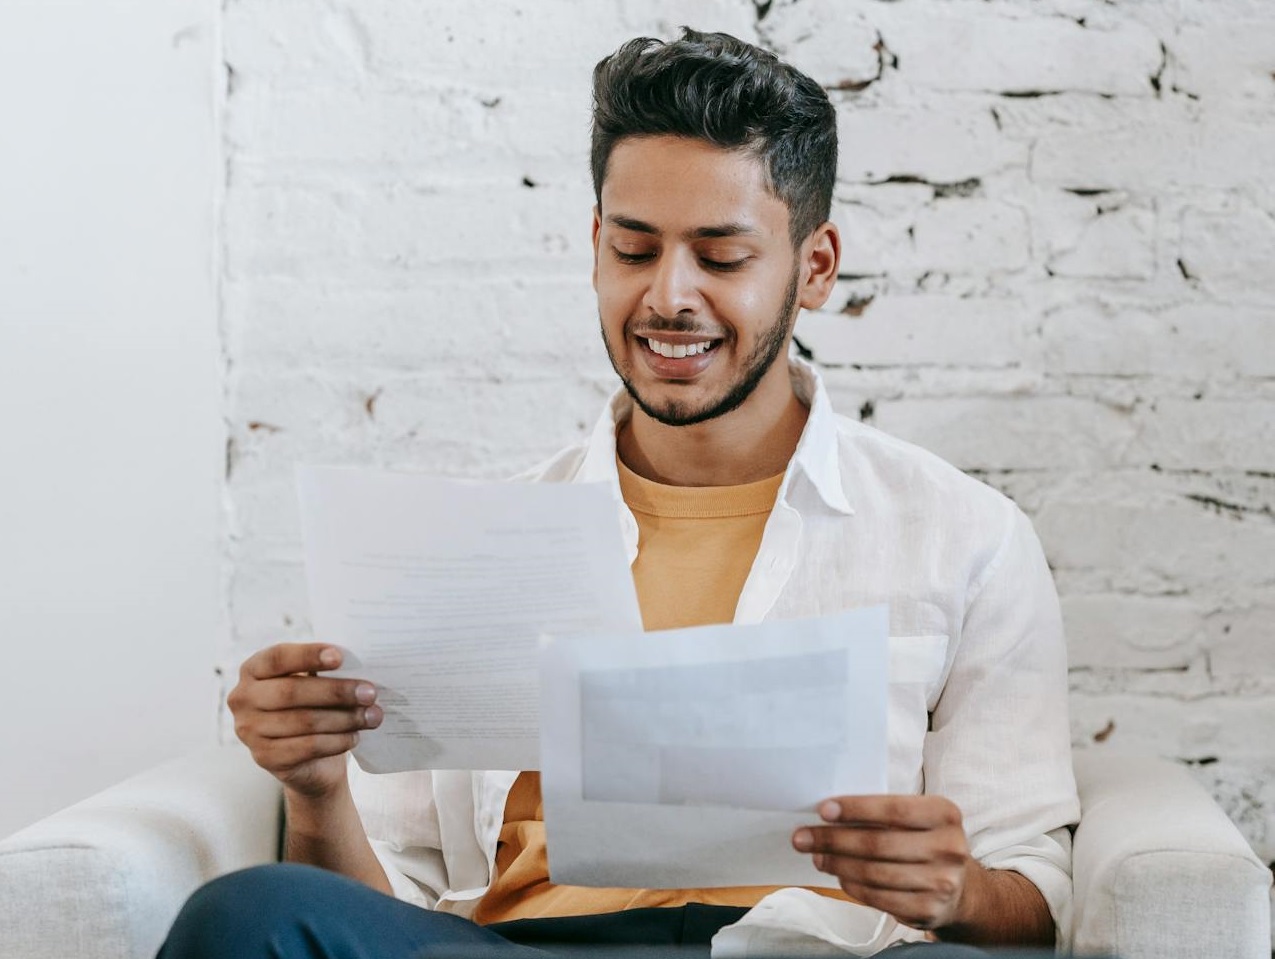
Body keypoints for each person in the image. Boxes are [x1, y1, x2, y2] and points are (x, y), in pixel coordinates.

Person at [159, 28, 1079, 959]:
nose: (668, 296)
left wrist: (957, 891)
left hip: (814, 949)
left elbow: (1033, 900)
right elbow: (382, 904)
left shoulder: (965, 537)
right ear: (596, 244)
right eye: (635, 249)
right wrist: (315, 789)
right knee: (246, 914)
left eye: (720, 258)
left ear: (816, 267)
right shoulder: (475, 544)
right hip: (519, 950)